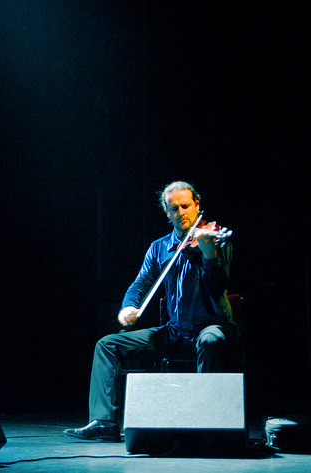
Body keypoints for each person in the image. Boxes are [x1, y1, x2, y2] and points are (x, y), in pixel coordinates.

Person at [63, 181, 237, 441]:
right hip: (175, 332)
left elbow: (216, 288)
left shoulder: (214, 240)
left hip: (211, 326)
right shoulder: (159, 248)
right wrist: (128, 306)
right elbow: (140, 283)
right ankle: (103, 422)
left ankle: (207, 422)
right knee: (108, 344)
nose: (181, 212)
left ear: (197, 205)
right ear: (167, 212)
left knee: (211, 340)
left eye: (186, 206)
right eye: (174, 208)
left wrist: (209, 254)